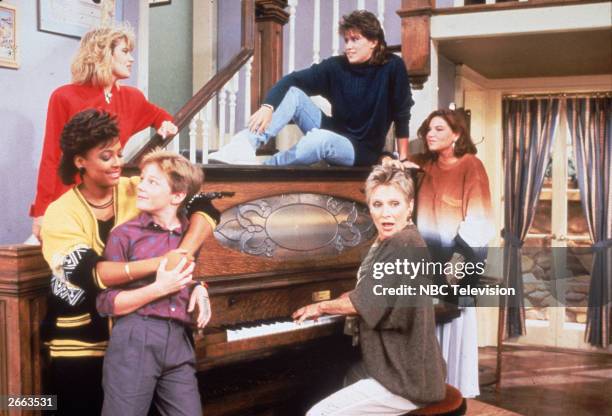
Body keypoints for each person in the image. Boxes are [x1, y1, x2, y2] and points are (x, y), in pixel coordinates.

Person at [40, 109, 215, 415]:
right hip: (81, 343)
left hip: (142, 334)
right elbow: (93, 274)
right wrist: (166, 265)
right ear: (81, 161)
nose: (119, 163)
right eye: (107, 157)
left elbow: (204, 205)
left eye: (120, 153)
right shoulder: (60, 213)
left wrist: (185, 261)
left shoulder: (134, 187)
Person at [292, 164, 446, 415]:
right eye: (377, 205)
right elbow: (378, 291)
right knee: (343, 376)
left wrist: (320, 305)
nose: (386, 214)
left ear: (410, 206)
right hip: (407, 369)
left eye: (394, 204)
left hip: (405, 381)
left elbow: (363, 302)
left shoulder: (403, 243)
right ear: (369, 207)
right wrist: (352, 296)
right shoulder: (398, 239)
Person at [209, 10, 414, 167]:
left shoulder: (392, 67)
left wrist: (403, 159)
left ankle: (265, 166)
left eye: (355, 39)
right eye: (346, 40)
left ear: (374, 42)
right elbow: (292, 80)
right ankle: (244, 145)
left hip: (361, 150)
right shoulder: (336, 66)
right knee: (295, 95)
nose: (348, 46)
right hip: (335, 131)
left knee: (319, 139)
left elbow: (401, 114)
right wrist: (268, 106)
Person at [31, 25, 178, 241]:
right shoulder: (64, 96)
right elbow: (51, 156)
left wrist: (165, 124)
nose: (132, 59)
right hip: (71, 196)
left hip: (110, 196)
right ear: (103, 55)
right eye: (125, 52)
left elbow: (161, 116)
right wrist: (41, 211)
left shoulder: (132, 97)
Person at [96, 149, 209, 416]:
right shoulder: (124, 235)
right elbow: (105, 302)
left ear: (177, 196)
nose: (141, 187)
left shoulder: (190, 234)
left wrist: (199, 289)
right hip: (135, 338)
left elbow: (186, 278)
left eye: (152, 182)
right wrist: (158, 289)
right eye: (142, 179)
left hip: (180, 341)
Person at [408, 109, 493, 398]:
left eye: (439, 129)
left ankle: (454, 396)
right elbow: (397, 164)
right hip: (424, 267)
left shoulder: (472, 166)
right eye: (428, 129)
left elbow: (479, 222)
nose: (430, 134)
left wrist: (454, 269)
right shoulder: (425, 165)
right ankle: (431, 396)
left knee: (452, 333)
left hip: (455, 266)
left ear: (456, 134)